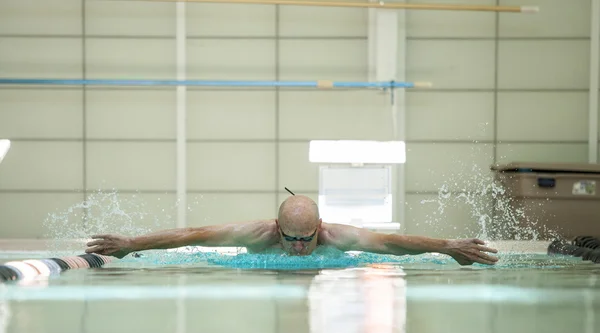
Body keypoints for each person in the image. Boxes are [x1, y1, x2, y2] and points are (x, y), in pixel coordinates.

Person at [85, 195, 499, 265]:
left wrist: (447, 246)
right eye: (291, 238)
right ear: (277, 228)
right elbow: (193, 235)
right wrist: (132, 244)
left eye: (307, 238)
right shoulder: (255, 233)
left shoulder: (338, 236)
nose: (300, 248)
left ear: (319, 227)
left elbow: (392, 242)